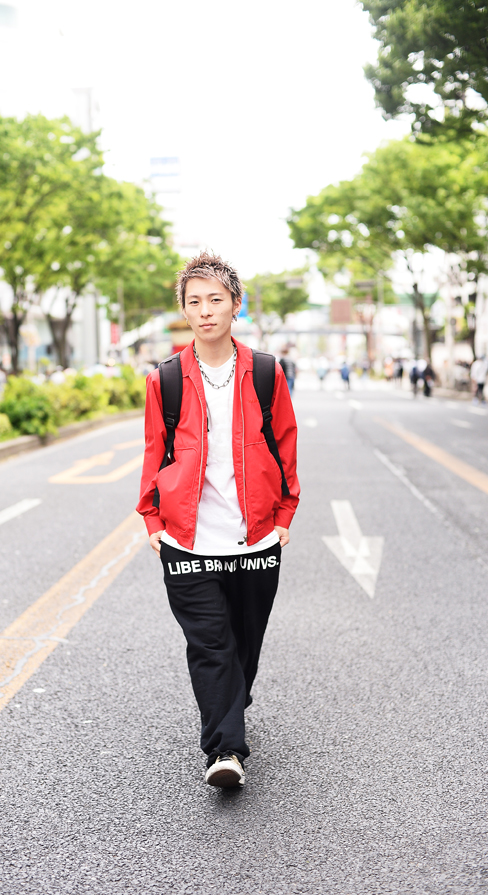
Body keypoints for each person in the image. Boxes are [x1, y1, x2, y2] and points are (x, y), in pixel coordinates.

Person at [137, 252, 300, 789]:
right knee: (210, 645)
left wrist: (285, 514)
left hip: (256, 539)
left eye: (215, 299)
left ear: (235, 304)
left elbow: (285, 445)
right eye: (194, 302)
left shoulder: (266, 373)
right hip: (188, 541)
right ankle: (225, 750)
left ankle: (231, 699)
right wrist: (152, 520)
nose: (205, 310)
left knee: (244, 646)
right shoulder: (166, 379)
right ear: (184, 310)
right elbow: (154, 452)